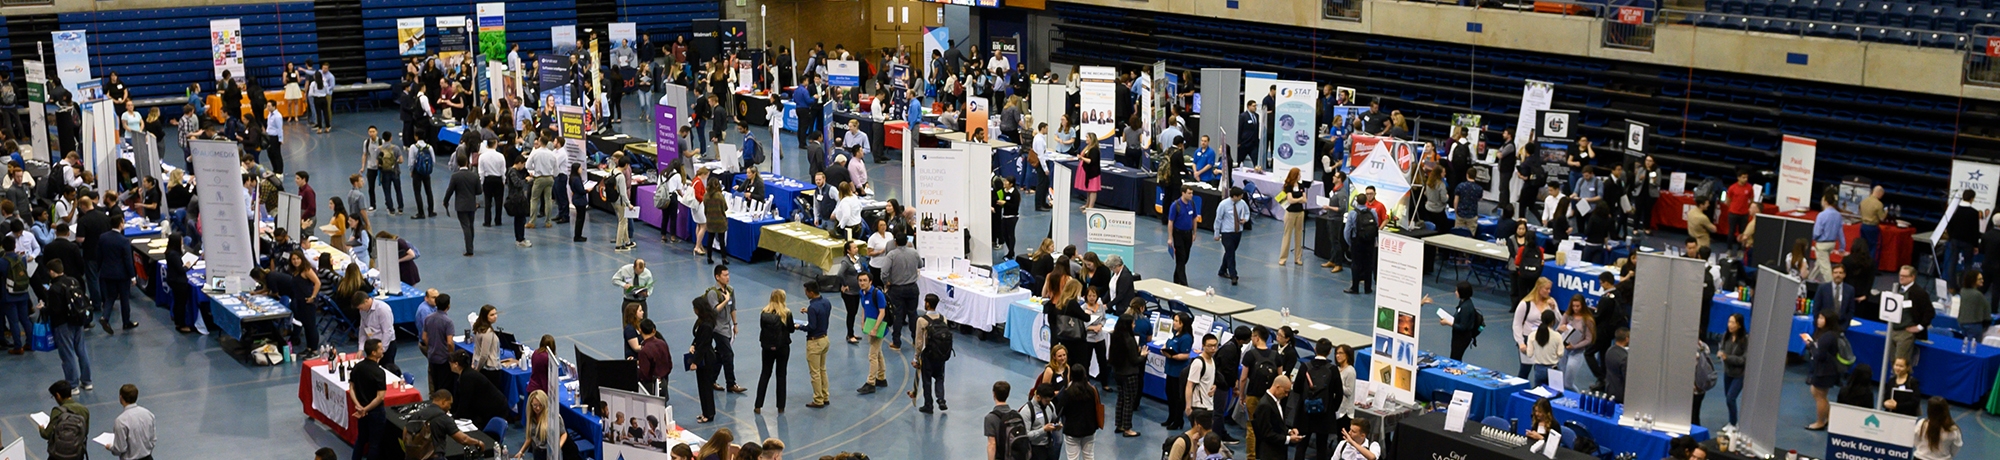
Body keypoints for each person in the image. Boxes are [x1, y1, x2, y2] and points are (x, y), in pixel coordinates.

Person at [44, 260, 91, 390]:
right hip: (78, 320)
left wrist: (44, 309)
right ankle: (87, 381)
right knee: (82, 351)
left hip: (63, 324)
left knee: (68, 354)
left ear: (52, 272)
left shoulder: (55, 288)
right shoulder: (73, 281)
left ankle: (72, 384)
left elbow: (55, 310)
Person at [1291, 338, 1341, 460]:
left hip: (1305, 413)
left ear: (1315, 349)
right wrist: (1331, 408)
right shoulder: (1332, 369)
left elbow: (1296, 388)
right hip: (1324, 414)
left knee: (1301, 446)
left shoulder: (1304, 367)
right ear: (1330, 352)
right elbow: (1339, 393)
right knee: (1321, 447)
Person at [703, 265, 747, 394]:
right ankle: (731, 383)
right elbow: (715, 310)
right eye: (725, 275)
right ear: (717, 277)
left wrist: (735, 324)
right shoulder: (713, 293)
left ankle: (711, 380)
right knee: (728, 354)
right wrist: (726, 299)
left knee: (720, 356)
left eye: (728, 275)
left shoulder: (730, 290)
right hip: (717, 329)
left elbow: (733, 308)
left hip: (727, 328)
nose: (728, 277)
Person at [1801, 308, 1843, 430]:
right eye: (1818, 318)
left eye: (1821, 318)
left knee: (1819, 395)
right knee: (1819, 394)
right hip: (1826, 369)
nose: (1818, 321)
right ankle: (1830, 418)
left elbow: (1820, 355)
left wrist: (1810, 346)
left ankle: (1820, 422)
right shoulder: (1829, 334)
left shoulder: (1827, 336)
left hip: (1825, 370)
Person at [755, 289, 796, 413]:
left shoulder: (764, 313)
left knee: (765, 374)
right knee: (781, 375)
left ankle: (758, 405)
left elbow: (762, 328)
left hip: (767, 348)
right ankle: (780, 406)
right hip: (782, 348)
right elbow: (791, 329)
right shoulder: (786, 314)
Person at [1110, 299, 1146, 438]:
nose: (1134, 324)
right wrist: (1142, 355)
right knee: (1129, 401)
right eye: (1132, 323)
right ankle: (1127, 428)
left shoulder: (1116, 337)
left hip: (1117, 372)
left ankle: (1119, 424)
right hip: (1129, 374)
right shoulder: (1129, 340)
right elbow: (1135, 360)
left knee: (1120, 399)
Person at [348, 339, 389, 460]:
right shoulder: (379, 372)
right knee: (374, 443)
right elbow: (380, 396)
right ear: (373, 352)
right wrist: (366, 409)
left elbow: (351, 388)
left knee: (361, 439)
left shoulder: (357, 367)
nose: (383, 351)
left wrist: (359, 407)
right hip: (375, 412)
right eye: (380, 349)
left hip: (362, 411)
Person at [1890, 265, 1936, 363]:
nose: (1901, 278)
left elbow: (1930, 312)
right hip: (1893, 329)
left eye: (1904, 276)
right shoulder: (1897, 288)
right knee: (1891, 360)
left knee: (1901, 362)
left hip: (1906, 333)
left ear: (1912, 277)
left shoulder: (1919, 293)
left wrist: (1919, 327)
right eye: (1900, 275)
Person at [914, 293, 951, 413]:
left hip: (928, 355)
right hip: (941, 354)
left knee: (927, 380)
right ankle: (941, 399)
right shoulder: (943, 318)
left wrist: (916, 358)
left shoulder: (922, 320)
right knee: (940, 377)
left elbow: (919, 341)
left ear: (927, 303)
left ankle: (928, 405)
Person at [96, 218, 136, 330]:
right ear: (120, 224)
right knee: (124, 298)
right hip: (122, 275)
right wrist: (132, 276)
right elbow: (128, 260)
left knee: (110, 297)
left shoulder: (103, 237)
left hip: (107, 273)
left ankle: (105, 317)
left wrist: (98, 269)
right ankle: (126, 322)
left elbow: (99, 255)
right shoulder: (124, 241)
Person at [1513, 278, 1559, 376]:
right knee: (1525, 370)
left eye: (1550, 289)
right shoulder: (1525, 304)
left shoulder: (1551, 302)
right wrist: (1520, 343)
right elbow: (1517, 324)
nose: (1549, 291)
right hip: (1529, 339)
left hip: (1546, 340)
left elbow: (1558, 320)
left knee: (1544, 371)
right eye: (1546, 289)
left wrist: (1553, 309)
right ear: (1538, 288)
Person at [1252, 374, 1303, 460]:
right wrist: (1289, 439)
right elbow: (1266, 434)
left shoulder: (1275, 401)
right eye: (1285, 392)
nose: (1286, 395)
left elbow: (1277, 424)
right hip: (1270, 453)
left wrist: (1289, 431)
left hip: (1278, 451)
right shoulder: (1265, 405)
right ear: (1278, 387)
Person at [1058, 364, 1103, 460]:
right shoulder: (1092, 390)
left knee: (1072, 458)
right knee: (1089, 456)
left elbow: (1060, 410)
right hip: (1089, 428)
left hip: (1072, 430)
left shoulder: (1068, 393)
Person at [690, 295, 722, 424]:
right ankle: (705, 411)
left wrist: (694, 362)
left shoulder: (707, 324)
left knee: (706, 387)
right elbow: (698, 337)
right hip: (700, 354)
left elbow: (703, 345)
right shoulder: (701, 321)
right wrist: (693, 344)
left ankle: (709, 413)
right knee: (701, 387)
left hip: (706, 358)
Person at [800, 282, 833, 408]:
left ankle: (818, 399)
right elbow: (822, 315)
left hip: (814, 342)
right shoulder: (826, 302)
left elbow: (811, 326)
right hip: (824, 339)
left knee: (815, 373)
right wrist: (809, 311)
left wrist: (799, 327)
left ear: (811, 292)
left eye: (806, 291)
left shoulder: (813, 307)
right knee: (822, 369)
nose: (805, 293)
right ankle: (825, 396)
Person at [857, 272, 890, 393]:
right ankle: (881, 377)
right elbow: (864, 308)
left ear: (870, 281)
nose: (862, 283)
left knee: (872, 355)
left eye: (864, 280)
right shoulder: (862, 293)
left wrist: (875, 328)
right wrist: (862, 322)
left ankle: (871, 382)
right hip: (869, 326)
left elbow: (882, 312)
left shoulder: (878, 294)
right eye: (860, 280)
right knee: (878, 352)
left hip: (878, 327)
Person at [102, 384, 154, 460]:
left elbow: (120, 449)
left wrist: (110, 447)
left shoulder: (121, 421)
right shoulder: (148, 414)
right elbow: (153, 439)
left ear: (121, 397)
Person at [40, 381, 89, 460]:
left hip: (58, 455)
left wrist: (41, 428)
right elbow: (85, 432)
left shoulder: (57, 411)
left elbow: (46, 435)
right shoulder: (84, 410)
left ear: (58, 396)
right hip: (77, 454)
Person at [1161, 312, 1194, 430]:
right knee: (1169, 394)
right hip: (1170, 370)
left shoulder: (1186, 338)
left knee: (1177, 397)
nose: (1174, 323)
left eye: (1176, 321)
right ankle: (1170, 417)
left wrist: (1171, 356)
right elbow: (1167, 343)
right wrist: (1164, 349)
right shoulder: (1174, 333)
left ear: (1182, 323)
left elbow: (1185, 355)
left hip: (1178, 372)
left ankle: (1178, 420)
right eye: (1174, 320)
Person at [512, 390, 567, 460]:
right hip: (537, 452)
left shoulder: (553, 417)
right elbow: (530, 438)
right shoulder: (531, 417)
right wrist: (521, 451)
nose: (537, 408)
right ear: (531, 404)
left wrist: (558, 448)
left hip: (550, 453)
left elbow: (563, 434)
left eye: (540, 405)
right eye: (535, 405)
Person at [443, 156, 481, 256]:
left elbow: (450, 190)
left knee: (466, 227)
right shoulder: (474, 176)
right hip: (471, 204)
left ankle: (469, 249)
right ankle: (471, 245)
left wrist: (445, 201)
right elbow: (479, 191)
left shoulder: (455, 176)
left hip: (461, 205)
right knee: (471, 225)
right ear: (467, 163)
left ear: (458, 164)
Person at [1943, 190, 1982, 286]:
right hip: (1968, 242)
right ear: (1972, 198)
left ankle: (1951, 285)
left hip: (1955, 240)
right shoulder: (1974, 213)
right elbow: (1975, 230)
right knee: (1968, 264)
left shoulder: (1955, 210)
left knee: (1952, 262)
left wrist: (1952, 237)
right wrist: (1975, 245)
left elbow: (1949, 226)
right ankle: (1965, 285)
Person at [1436, 281, 1481, 360]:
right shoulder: (1463, 302)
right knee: (1454, 356)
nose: (1455, 292)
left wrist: (1448, 322)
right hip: (1457, 336)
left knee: (1455, 357)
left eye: (1457, 291)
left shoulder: (1466, 308)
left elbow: (1462, 327)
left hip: (1462, 338)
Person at [1718, 313, 1748, 426]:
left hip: (1739, 375)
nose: (1730, 325)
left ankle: (1733, 424)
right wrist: (1721, 353)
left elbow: (1744, 359)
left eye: (1733, 322)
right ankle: (1732, 421)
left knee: (1731, 398)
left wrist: (1728, 357)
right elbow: (1722, 348)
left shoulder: (1745, 340)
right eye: (1729, 322)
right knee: (1728, 399)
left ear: (1739, 325)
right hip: (1728, 372)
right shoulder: (1726, 336)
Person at [1186, 333, 1219, 434]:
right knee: (1198, 435)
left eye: (1215, 345)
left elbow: (1208, 380)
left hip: (1209, 405)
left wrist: (1214, 386)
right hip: (1199, 406)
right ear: (1203, 346)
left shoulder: (1212, 361)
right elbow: (1189, 385)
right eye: (1209, 346)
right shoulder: (1198, 363)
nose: (1213, 348)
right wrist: (1188, 406)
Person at [1216, 187, 1249, 285]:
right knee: (1231, 254)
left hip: (1238, 232)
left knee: (1230, 252)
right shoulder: (1223, 205)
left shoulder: (1242, 203)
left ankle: (1222, 271)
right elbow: (1218, 219)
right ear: (1234, 196)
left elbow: (1247, 213)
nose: (1241, 197)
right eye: (1240, 196)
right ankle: (1233, 275)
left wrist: (1245, 219)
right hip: (1227, 233)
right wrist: (1217, 233)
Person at [1812, 192, 1848, 281]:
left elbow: (1817, 232)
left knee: (1825, 268)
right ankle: (1810, 279)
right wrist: (1842, 247)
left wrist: (1814, 238)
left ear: (1825, 201)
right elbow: (1840, 233)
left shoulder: (1821, 215)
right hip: (1832, 243)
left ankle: (1832, 287)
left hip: (1822, 244)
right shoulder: (1838, 215)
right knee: (1819, 263)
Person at [984, 381, 1024, 460]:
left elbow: (992, 444)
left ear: (994, 394)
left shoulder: (990, 418)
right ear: (1008, 394)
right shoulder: (1017, 415)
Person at [1561, 297, 1594, 391]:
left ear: (1582, 306)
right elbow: (1558, 328)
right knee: (1561, 380)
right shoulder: (1567, 315)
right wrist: (1561, 328)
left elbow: (1588, 339)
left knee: (1568, 383)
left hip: (1577, 352)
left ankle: (1578, 397)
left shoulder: (1587, 320)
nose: (1575, 308)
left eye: (1578, 306)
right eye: (1573, 306)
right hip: (1563, 350)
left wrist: (1574, 346)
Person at [636, 319, 673, 396]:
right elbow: (669, 364)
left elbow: (644, 374)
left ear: (640, 330)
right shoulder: (662, 343)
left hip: (651, 387)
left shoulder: (644, 351)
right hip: (664, 382)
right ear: (653, 330)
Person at [1526, 309, 1563, 386]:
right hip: (1553, 369)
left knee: (1538, 393)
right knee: (1555, 392)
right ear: (1553, 321)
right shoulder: (1557, 336)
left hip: (1539, 369)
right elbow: (1560, 354)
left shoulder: (1532, 335)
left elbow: (1529, 354)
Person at [1169, 188, 1198, 285]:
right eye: (1189, 193)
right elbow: (1171, 222)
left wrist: (1194, 233)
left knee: (1185, 257)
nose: (1191, 195)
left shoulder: (1192, 204)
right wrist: (1170, 238)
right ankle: (1183, 282)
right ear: (1183, 193)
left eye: (1192, 193)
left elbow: (1194, 218)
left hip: (1188, 234)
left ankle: (1176, 278)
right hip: (1178, 234)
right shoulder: (1175, 205)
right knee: (1181, 257)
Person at [1605, 328, 1630, 402]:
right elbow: (1626, 378)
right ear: (1627, 339)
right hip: (1620, 395)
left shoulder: (1609, 351)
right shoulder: (1624, 357)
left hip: (1609, 389)